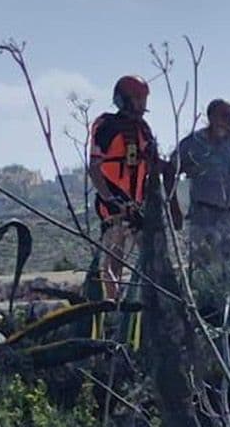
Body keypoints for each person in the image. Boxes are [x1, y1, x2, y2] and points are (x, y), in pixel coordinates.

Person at [88, 75, 160, 299]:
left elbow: (154, 164)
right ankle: (112, 305)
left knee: (149, 256)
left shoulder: (143, 129)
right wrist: (109, 198)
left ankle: (147, 304)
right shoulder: (107, 126)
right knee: (113, 257)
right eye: (137, 98)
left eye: (144, 98)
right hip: (113, 203)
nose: (142, 104)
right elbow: (94, 167)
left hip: (137, 204)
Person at [174, 98, 230, 274]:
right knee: (204, 266)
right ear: (211, 117)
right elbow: (171, 169)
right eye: (225, 115)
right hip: (203, 214)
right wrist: (174, 207)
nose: (229, 120)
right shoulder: (194, 142)